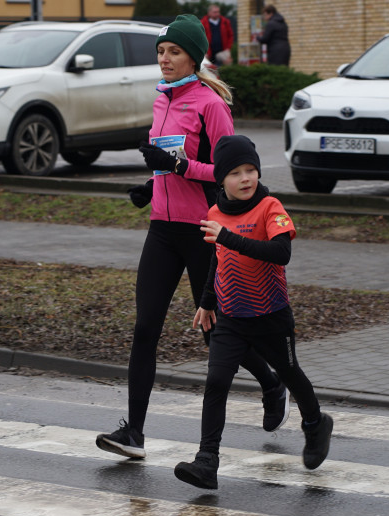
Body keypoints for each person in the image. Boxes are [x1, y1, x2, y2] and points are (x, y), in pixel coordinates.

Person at [96, 14, 289, 460]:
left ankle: (271, 381)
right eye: (161, 52)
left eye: (174, 52)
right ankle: (134, 433)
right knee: (146, 328)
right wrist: (153, 186)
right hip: (162, 229)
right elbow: (168, 159)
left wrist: (182, 169)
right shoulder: (161, 99)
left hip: (205, 230)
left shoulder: (209, 105)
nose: (164, 59)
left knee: (215, 332)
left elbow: (233, 174)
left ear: (193, 57)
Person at [174, 135, 334, 490]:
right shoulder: (214, 213)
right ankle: (206, 461)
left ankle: (315, 424)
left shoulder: (270, 207)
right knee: (216, 382)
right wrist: (206, 301)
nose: (246, 178)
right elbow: (217, 261)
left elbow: (281, 253)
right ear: (221, 180)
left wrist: (228, 237)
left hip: (271, 315)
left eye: (251, 170)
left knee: (290, 372)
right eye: (235, 173)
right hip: (230, 317)